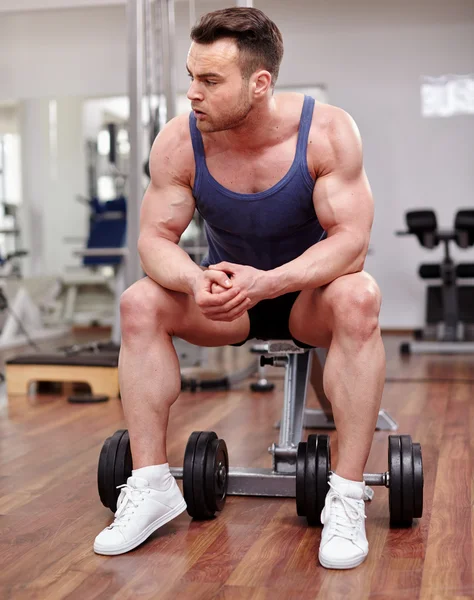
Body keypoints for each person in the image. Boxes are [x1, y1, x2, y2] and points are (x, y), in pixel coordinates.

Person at [93, 6, 385, 570]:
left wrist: (270, 280)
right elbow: (154, 240)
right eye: (190, 77)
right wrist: (192, 279)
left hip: (307, 298)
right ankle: (151, 483)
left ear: (259, 83)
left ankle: (346, 498)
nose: (192, 94)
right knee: (140, 301)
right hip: (226, 301)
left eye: (209, 81)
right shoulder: (180, 142)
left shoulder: (327, 131)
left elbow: (351, 242)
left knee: (360, 294)